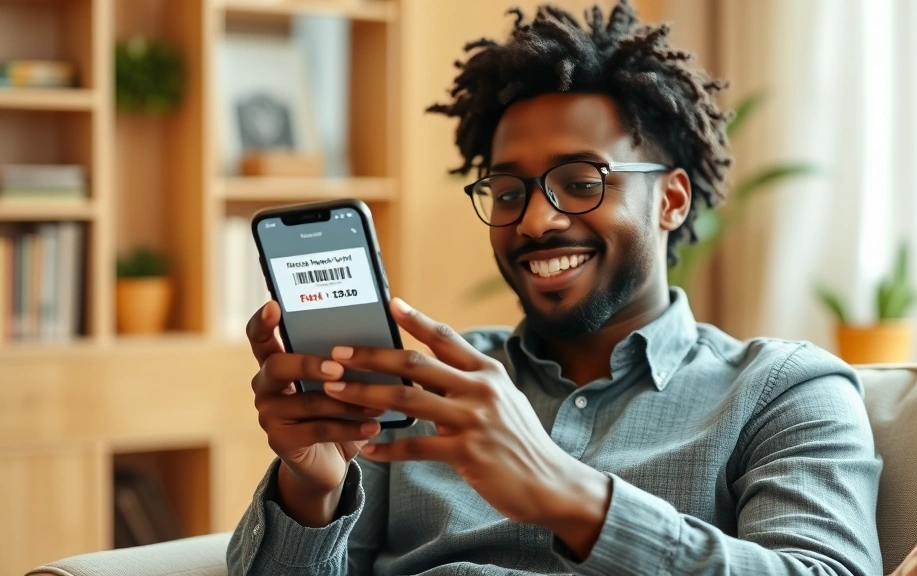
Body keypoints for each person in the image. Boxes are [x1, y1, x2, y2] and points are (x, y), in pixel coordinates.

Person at [228, 2, 883, 574]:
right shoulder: (418, 390)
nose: (537, 220)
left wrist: (568, 496)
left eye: (580, 181)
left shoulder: (785, 390)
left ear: (672, 200)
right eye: (509, 192)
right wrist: (310, 493)